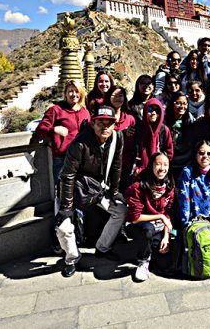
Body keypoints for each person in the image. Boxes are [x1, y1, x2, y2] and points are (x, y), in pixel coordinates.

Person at [55, 105, 126, 277]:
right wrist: (66, 207)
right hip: (71, 189)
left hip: (97, 188)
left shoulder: (117, 138)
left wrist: (115, 191)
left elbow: (116, 165)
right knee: (64, 227)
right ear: (93, 123)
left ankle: (102, 248)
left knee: (121, 210)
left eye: (109, 123)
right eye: (100, 122)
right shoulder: (79, 144)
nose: (105, 127)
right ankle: (72, 257)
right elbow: (68, 176)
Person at [125, 152, 175, 282]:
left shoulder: (168, 186)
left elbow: (167, 213)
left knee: (164, 262)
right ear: (151, 166)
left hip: (158, 226)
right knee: (147, 230)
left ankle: (150, 249)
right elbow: (135, 217)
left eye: (165, 165)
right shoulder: (139, 187)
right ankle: (143, 261)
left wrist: (166, 237)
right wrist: (161, 217)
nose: (162, 168)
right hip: (137, 225)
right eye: (158, 164)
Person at [34, 79, 90, 184]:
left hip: (81, 158)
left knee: (79, 190)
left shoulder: (85, 112)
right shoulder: (56, 110)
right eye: (70, 91)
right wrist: (54, 129)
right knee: (61, 189)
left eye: (76, 91)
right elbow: (40, 129)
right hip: (62, 158)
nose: (74, 94)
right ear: (65, 93)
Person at [164, 92, 195, 179]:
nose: (182, 106)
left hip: (187, 163)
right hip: (170, 163)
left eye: (185, 103)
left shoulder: (190, 120)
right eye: (178, 103)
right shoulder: (165, 122)